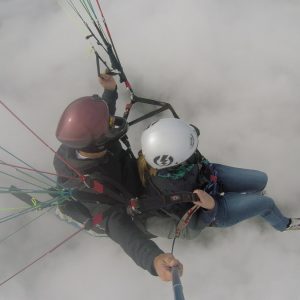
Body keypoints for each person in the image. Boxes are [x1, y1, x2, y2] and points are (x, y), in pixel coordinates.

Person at [53, 75, 183, 281]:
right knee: (188, 224)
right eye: (108, 125)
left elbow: (98, 121)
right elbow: (118, 227)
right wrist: (153, 259)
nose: (111, 125)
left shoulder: (82, 143)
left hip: (138, 181)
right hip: (137, 214)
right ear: (99, 142)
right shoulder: (90, 188)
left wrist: (110, 91)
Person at [137, 118, 300, 239]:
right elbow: (189, 230)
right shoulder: (169, 195)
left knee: (261, 180)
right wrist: (210, 208)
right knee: (267, 204)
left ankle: (253, 201)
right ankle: (283, 225)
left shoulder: (172, 162)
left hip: (210, 175)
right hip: (215, 210)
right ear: (178, 161)